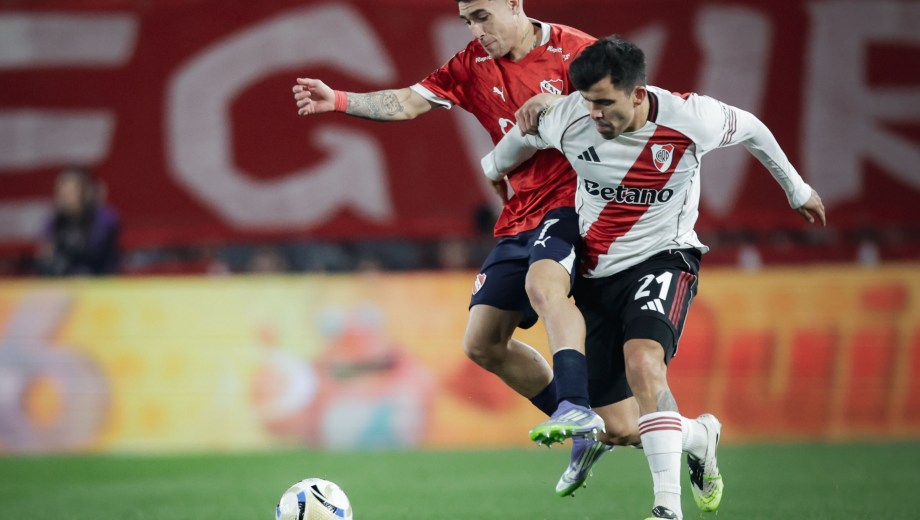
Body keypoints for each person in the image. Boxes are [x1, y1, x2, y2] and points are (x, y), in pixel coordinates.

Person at [292, 0, 633, 496]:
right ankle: (622, 431)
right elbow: (407, 102)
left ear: (515, 3)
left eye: (483, 15)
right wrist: (339, 100)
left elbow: (630, 117)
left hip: (576, 203)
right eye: (468, 20)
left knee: (544, 286)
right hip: (521, 214)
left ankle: (575, 406)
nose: (477, 29)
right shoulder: (471, 64)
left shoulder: (578, 53)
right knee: (482, 344)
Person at [482, 35, 827, 520]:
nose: (595, 114)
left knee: (645, 364)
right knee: (618, 428)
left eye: (605, 103)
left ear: (637, 94)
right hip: (596, 270)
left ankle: (666, 509)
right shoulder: (568, 118)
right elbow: (521, 138)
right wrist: (494, 167)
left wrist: (796, 188)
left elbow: (751, 128)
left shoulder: (691, 118)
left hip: (666, 258)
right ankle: (699, 435)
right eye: (588, 102)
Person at [35, 166, 120, 276]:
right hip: (63, 282)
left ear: (86, 192)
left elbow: (93, 250)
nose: (64, 196)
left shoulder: (104, 217)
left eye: (70, 191)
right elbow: (45, 253)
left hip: (98, 281)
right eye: (61, 191)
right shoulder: (55, 220)